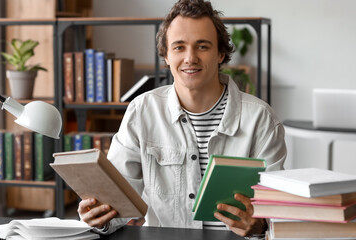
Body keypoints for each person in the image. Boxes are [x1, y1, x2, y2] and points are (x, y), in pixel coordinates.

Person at [78, 0, 286, 237]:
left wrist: (259, 225)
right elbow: (118, 202)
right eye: (179, 47)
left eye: (202, 46)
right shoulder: (142, 111)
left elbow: (278, 211)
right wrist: (98, 216)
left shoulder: (261, 119)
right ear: (165, 55)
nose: (190, 58)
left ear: (220, 54)